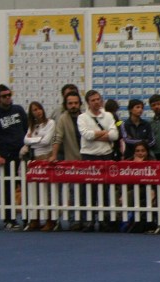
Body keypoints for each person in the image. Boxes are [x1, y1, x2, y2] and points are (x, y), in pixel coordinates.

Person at [77, 90, 119, 232]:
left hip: (105, 155)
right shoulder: (82, 117)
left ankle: (104, 221)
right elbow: (86, 135)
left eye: (98, 99)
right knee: (88, 190)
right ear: (88, 102)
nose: (96, 102)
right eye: (93, 100)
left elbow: (115, 135)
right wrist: (104, 133)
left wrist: (96, 135)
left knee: (105, 190)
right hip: (89, 156)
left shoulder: (108, 115)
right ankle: (87, 221)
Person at [49, 91, 83, 231]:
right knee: (73, 191)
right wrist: (54, 155)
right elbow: (58, 137)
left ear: (80, 104)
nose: (73, 106)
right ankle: (73, 220)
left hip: (89, 159)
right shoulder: (63, 118)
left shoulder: (86, 116)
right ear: (66, 105)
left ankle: (87, 220)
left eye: (76, 103)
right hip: (72, 159)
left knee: (88, 192)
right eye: (70, 103)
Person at [0, 84, 28, 231]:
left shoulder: (18, 109)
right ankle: (9, 219)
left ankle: (29, 218)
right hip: (6, 157)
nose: (8, 98)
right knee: (7, 189)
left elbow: (26, 127)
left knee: (26, 186)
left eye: (9, 95)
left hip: (22, 154)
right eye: (4, 96)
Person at [23, 101, 56, 231]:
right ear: (31, 113)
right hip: (35, 159)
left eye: (39, 109)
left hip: (46, 157)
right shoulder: (33, 126)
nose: (37, 112)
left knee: (47, 191)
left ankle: (50, 220)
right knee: (34, 190)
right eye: (34, 110)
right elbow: (25, 140)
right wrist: (37, 140)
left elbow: (47, 141)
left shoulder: (50, 123)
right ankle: (34, 219)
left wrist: (33, 141)